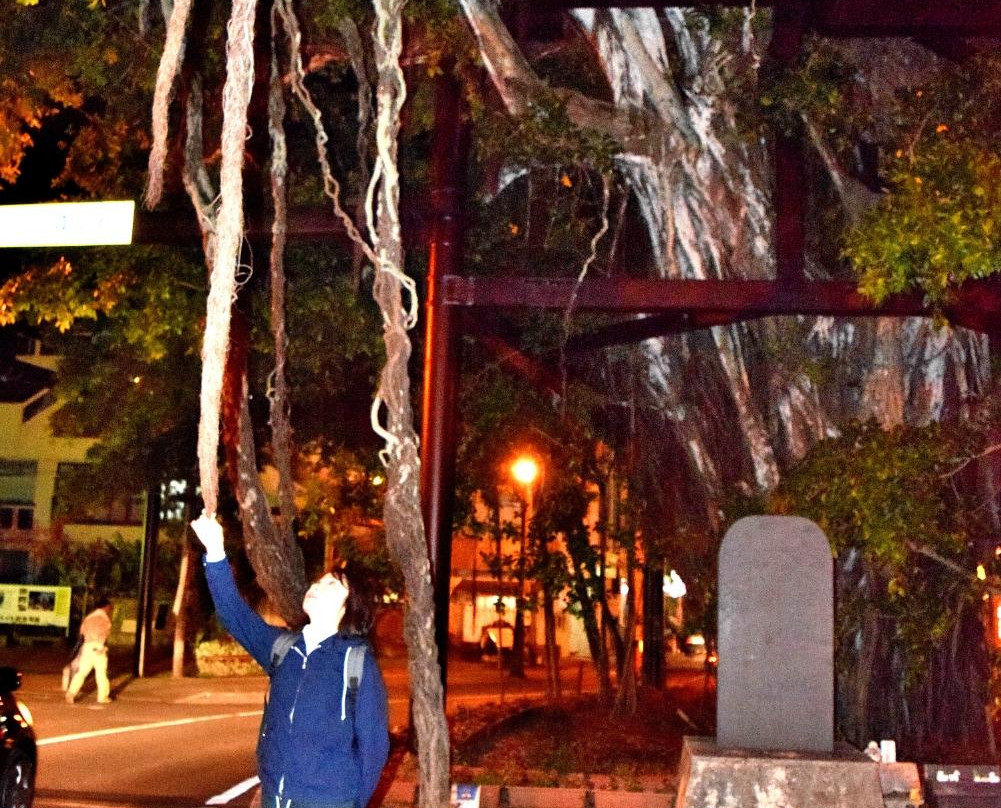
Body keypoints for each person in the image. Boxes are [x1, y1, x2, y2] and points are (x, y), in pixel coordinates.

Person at [191, 514, 390, 808]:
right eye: (319, 581)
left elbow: (374, 746)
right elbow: (234, 614)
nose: (317, 586)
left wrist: (347, 801)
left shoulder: (356, 662)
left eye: (332, 585)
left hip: (327, 801)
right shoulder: (284, 649)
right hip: (275, 798)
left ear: (348, 608)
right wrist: (216, 551)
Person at [65, 596, 114, 705]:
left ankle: (71, 692)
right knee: (101, 673)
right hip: (98, 647)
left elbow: (82, 632)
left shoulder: (89, 617)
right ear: (106, 607)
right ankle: (102, 697)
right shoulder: (104, 619)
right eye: (109, 607)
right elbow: (105, 634)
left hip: (87, 646)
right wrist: (103, 647)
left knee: (81, 672)